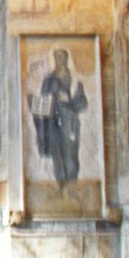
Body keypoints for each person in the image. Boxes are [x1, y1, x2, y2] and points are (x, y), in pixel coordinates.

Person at [30, 48, 87, 191]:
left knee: (70, 153)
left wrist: (70, 101)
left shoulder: (74, 78)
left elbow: (82, 101)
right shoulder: (49, 79)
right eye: (57, 57)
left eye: (62, 57)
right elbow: (44, 98)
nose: (59, 59)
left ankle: (72, 185)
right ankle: (61, 186)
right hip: (53, 121)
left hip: (70, 120)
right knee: (57, 154)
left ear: (66, 59)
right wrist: (37, 102)